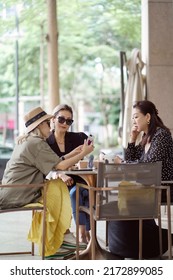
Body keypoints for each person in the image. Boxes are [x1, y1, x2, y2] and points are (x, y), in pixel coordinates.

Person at [0, 107, 94, 259]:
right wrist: (84, 153)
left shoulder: (31, 141)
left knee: (57, 187)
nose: (50, 125)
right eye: (46, 123)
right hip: (17, 193)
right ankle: (58, 239)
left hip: (13, 190)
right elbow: (60, 166)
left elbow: (57, 162)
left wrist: (75, 153)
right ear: (38, 126)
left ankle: (61, 237)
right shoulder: (35, 144)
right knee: (57, 188)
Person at [108, 100, 173, 259]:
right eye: (133, 118)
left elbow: (148, 166)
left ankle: (137, 244)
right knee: (116, 192)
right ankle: (129, 243)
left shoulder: (161, 136)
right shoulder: (146, 137)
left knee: (122, 191)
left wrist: (123, 164)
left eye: (136, 117)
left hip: (162, 187)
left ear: (148, 117)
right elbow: (133, 159)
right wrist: (132, 138)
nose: (134, 121)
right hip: (146, 185)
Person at [47, 104, 91, 244]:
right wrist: (61, 174)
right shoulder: (46, 142)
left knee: (86, 192)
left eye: (69, 121)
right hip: (55, 182)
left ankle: (83, 233)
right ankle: (83, 235)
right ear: (53, 119)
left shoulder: (77, 138)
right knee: (74, 193)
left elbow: (85, 155)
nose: (65, 123)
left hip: (78, 178)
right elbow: (47, 166)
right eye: (61, 119)